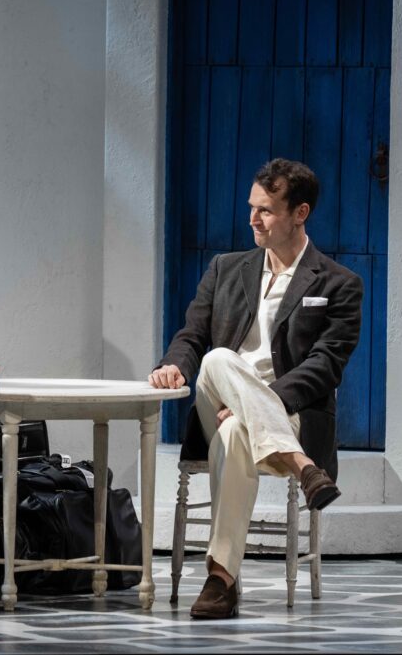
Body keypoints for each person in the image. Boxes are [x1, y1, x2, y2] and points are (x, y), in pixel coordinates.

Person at [149, 158, 363, 619]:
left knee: (233, 436)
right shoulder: (226, 268)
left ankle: (220, 580)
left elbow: (325, 366)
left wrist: (257, 405)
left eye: (265, 210)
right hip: (217, 399)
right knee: (218, 358)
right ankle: (303, 467)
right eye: (252, 207)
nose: (252, 218)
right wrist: (172, 366)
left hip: (289, 412)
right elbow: (192, 336)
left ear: (300, 213)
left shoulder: (339, 284)